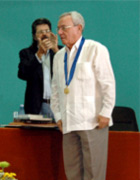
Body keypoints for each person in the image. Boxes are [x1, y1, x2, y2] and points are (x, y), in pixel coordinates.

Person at [51, 11, 116, 180]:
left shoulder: (95, 49)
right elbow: (56, 90)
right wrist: (58, 115)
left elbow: (108, 84)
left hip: (93, 121)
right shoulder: (58, 56)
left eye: (64, 28)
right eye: (58, 29)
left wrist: (106, 112)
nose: (59, 32)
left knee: (94, 172)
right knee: (72, 173)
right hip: (68, 122)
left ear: (79, 28)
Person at [18, 18, 62, 116]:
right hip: (37, 105)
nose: (45, 34)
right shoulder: (26, 53)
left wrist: (55, 50)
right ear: (34, 36)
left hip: (59, 104)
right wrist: (39, 54)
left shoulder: (60, 51)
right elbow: (23, 74)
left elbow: (70, 69)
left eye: (47, 31)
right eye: (40, 32)